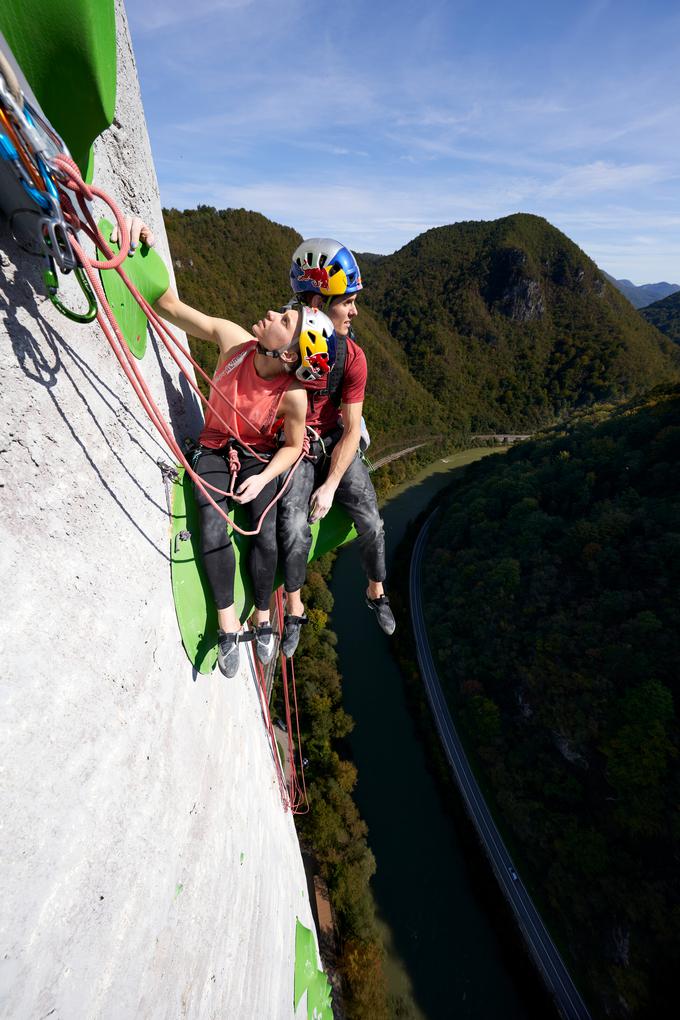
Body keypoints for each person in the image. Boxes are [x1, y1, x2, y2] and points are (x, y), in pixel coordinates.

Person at [113, 218, 335, 678]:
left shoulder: (292, 394)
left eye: (284, 320)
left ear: (289, 355)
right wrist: (140, 244)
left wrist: (262, 478)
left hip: (257, 454)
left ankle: (263, 614)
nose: (272, 315)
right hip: (214, 447)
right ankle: (228, 623)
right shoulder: (234, 342)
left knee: (267, 533)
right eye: (281, 311)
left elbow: (293, 446)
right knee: (212, 522)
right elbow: (169, 306)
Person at [277, 237, 396, 657]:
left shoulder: (353, 357)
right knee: (294, 529)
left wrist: (329, 487)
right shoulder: (281, 344)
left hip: (332, 440)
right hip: (295, 443)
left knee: (372, 522)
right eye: (346, 301)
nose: (354, 311)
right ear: (316, 301)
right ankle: (293, 608)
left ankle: (376, 590)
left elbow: (350, 428)